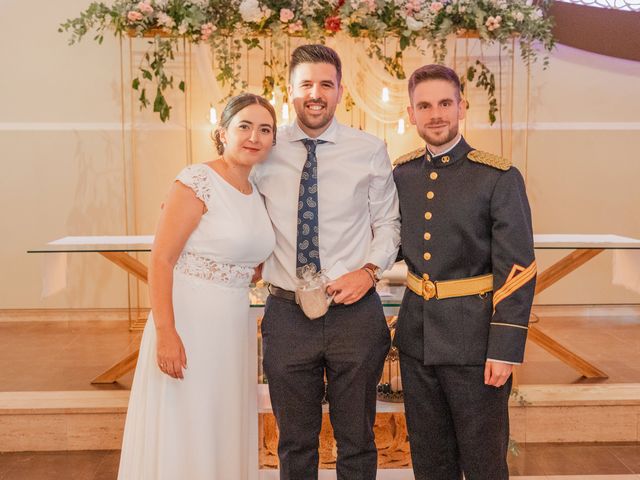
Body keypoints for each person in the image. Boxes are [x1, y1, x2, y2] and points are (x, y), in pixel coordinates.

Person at [253, 44, 400, 480]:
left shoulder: (369, 149)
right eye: (305, 84)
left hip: (353, 313)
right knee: (294, 442)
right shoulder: (266, 149)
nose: (315, 93)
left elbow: (389, 223)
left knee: (356, 438)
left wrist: (369, 271)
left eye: (325, 84)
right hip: (286, 312)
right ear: (290, 91)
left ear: (340, 92)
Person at [117, 93, 277, 480]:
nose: (254, 136)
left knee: (220, 416)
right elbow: (161, 260)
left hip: (232, 325)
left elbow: (248, 257)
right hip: (189, 321)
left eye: (265, 129)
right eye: (244, 126)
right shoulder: (197, 180)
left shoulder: (256, 192)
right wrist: (166, 332)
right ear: (222, 133)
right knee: (187, 418)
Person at [392, 64, 536, 480]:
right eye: (424, 105)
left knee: (483, 459)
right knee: (429, 458)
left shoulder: (498, 177)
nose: (435, 114)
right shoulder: (401, 175)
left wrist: (504, 348)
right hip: (418, 339)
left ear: (461, 107)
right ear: (411, 113)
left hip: (476, 343)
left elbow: (519, 269)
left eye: (444, 103)